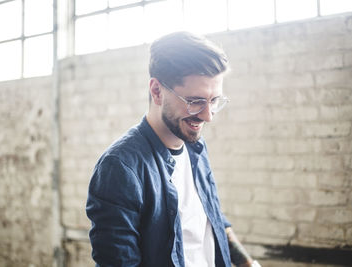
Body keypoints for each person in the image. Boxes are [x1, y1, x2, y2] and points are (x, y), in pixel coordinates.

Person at [86, 31, 261, 267]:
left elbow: (212, 218)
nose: (208, 116)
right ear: (157, 91)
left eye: (214, 101)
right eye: (195, 101)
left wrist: (248, 263)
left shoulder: (195, 147)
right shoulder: (120, 167)